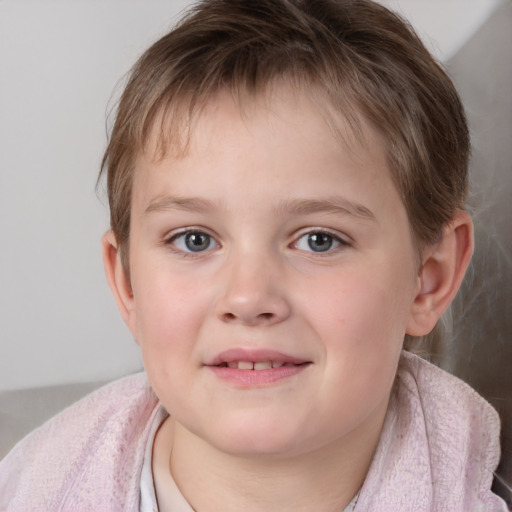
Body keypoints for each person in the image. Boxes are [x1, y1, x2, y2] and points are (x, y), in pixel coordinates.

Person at [0, 0, 507, 510]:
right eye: (194, 240)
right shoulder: (35, 490)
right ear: (129, 284)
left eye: (319, 240)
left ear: (429, 277)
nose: (248, 297)